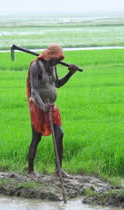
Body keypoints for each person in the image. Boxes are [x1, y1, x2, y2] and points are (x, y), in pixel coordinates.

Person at [26, 44, 78, 178]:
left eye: (60, 59)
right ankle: (30, 170)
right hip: (38, 106)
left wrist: (70, 73)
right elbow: (34, 91)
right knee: (36, 138)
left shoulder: (53, 66)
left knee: (59, 134)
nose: (58, 61)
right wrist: (42, 106)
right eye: (57, 58)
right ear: (50, 56)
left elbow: (57, 84)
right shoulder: (36, 66)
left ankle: (58, 169)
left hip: (51, 106)